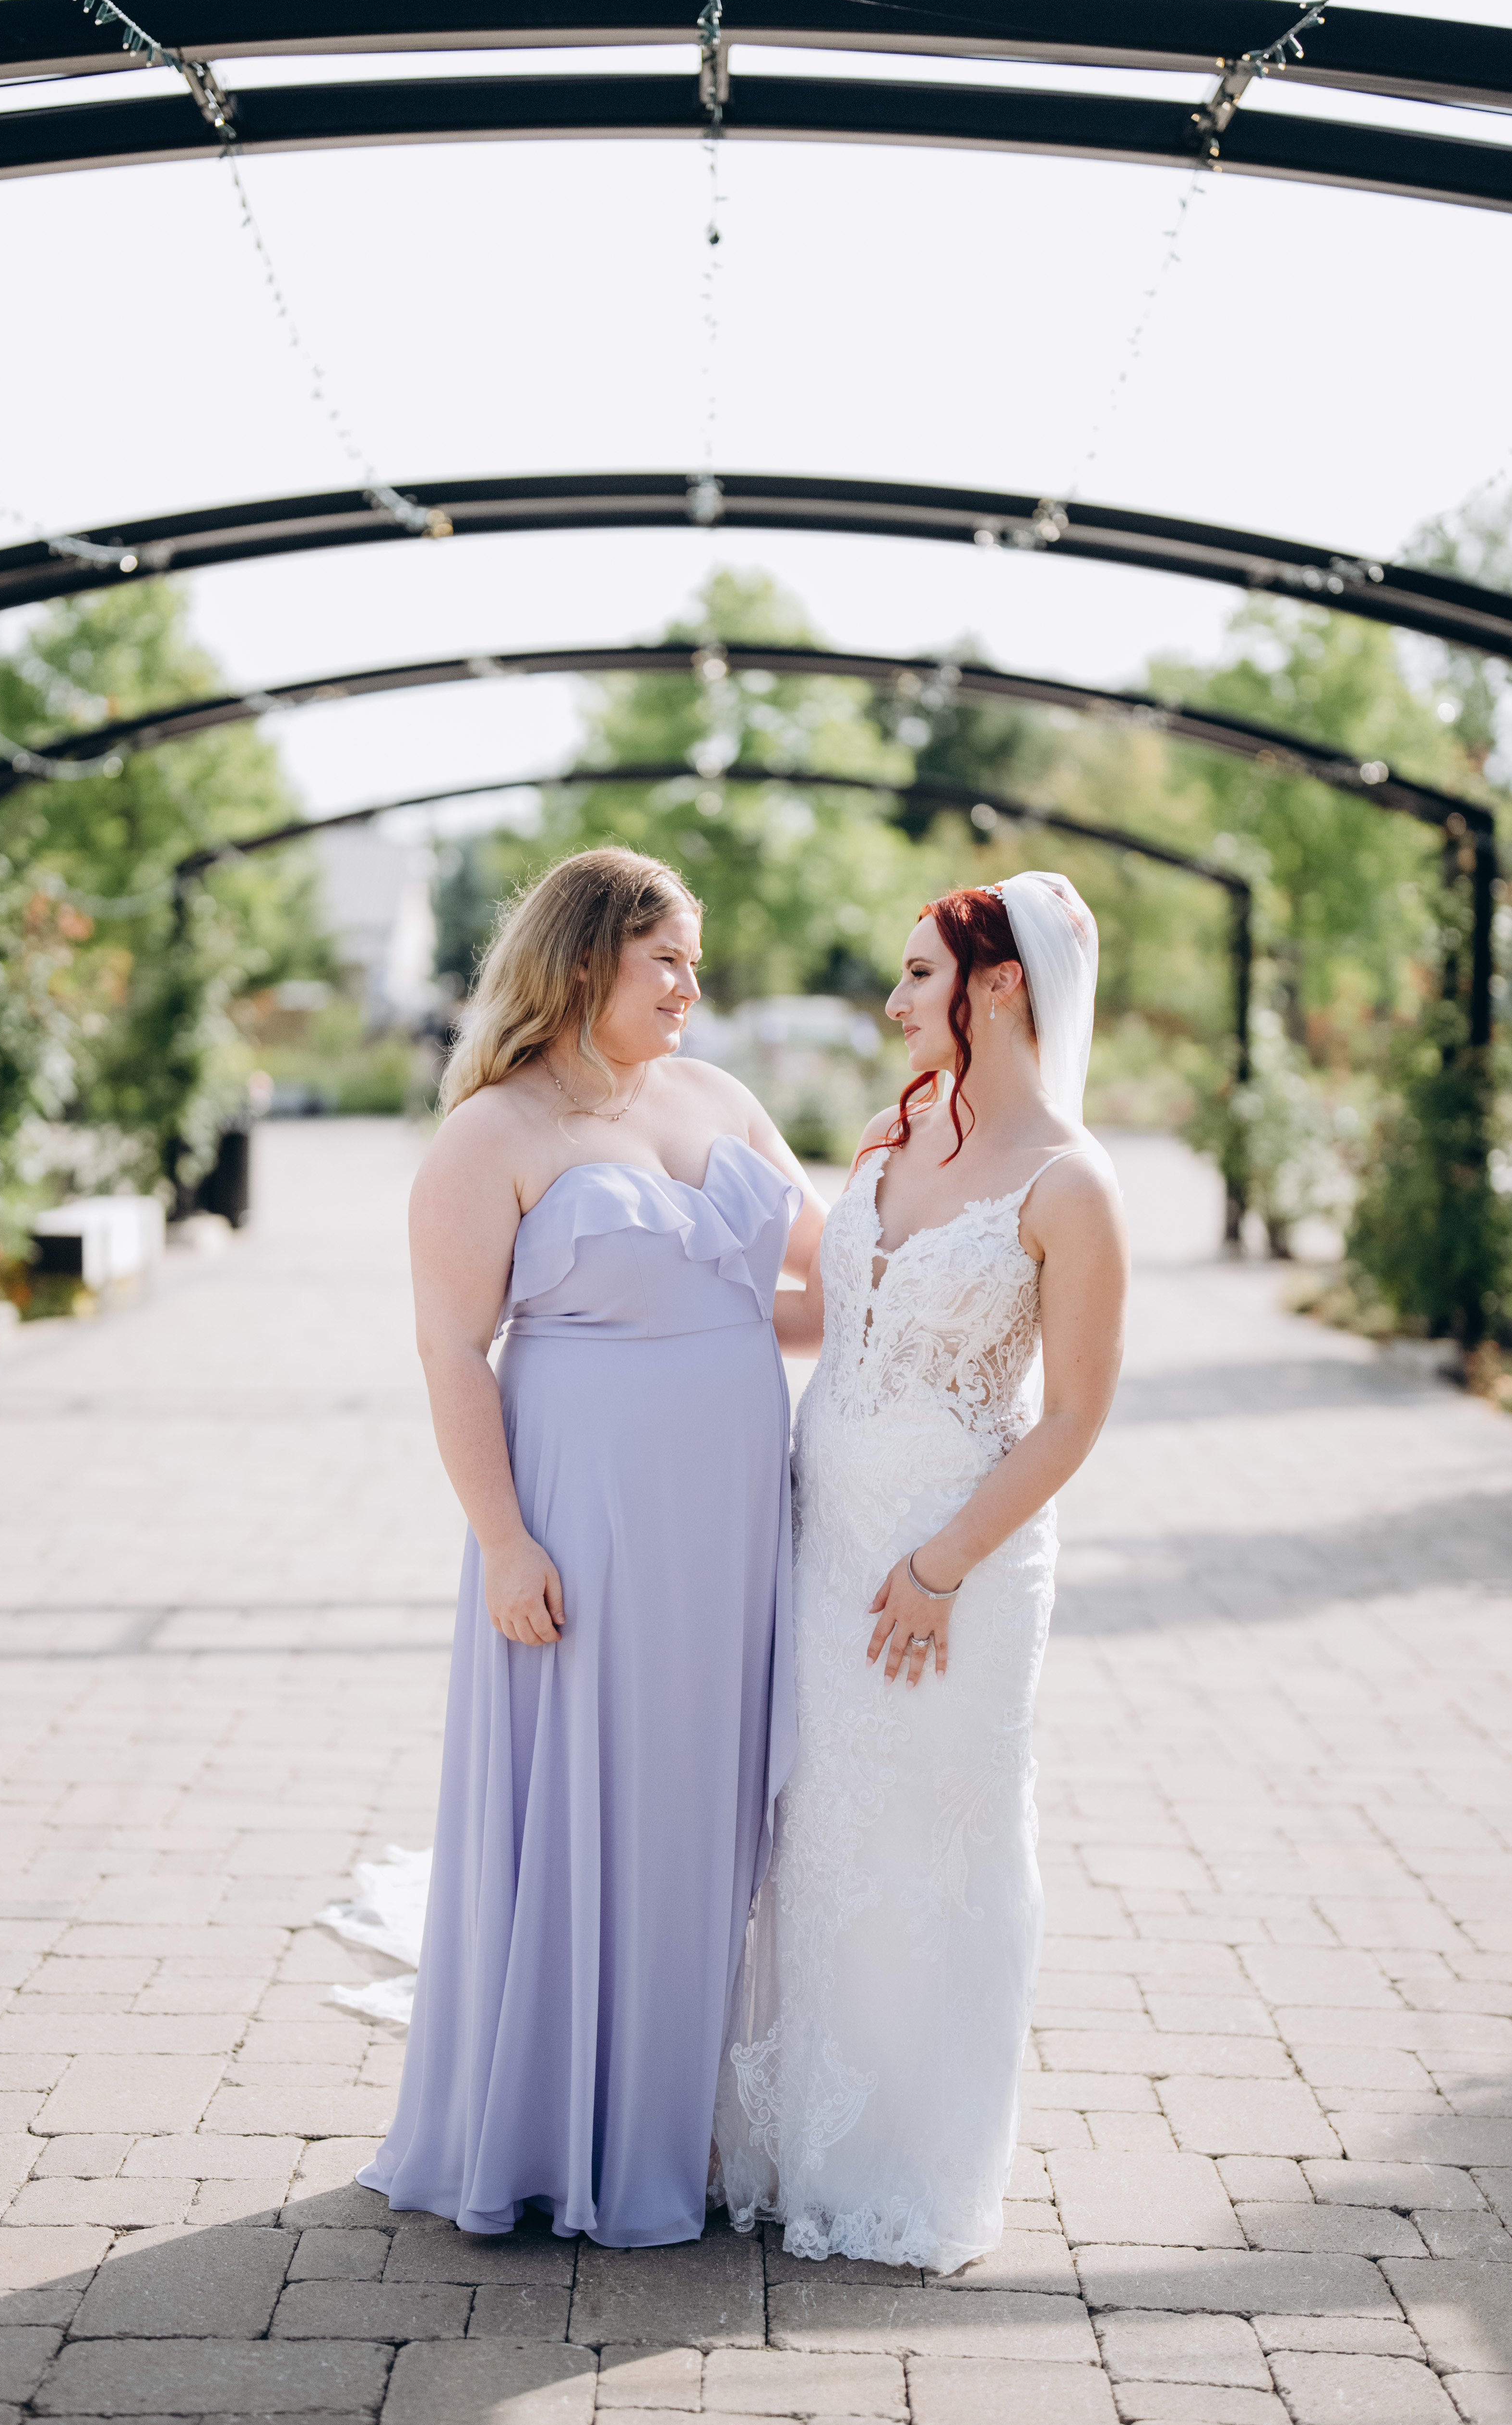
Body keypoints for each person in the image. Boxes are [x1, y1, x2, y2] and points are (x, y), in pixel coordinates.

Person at [360, 847, 824, 2249]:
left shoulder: (720, 1100)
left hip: (731, 1527)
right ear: (581, 960)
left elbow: (823, 1282)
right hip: (587, 1521)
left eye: (695, 962)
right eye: (665, 959)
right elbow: (452, 1350)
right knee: (596, 1797)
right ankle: (565, 2130)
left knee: (707, 1802)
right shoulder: (492, 1134)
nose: (691, 987)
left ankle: (684, 2114)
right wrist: (504, 1541)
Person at [714, 872, 1129, 2273]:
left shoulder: (1070, 1184)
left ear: (998, 985)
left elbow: (1073, 1415)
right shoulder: (892, 1139)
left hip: (956, 1567)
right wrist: (647, 1305)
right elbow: (836, 1317)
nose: (894, 1002)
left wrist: (941, 1566)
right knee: (820, 1829)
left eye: (918, 974)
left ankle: (905, 2167)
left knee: (929, 1846)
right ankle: (796, 2138)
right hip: (823, 1542)